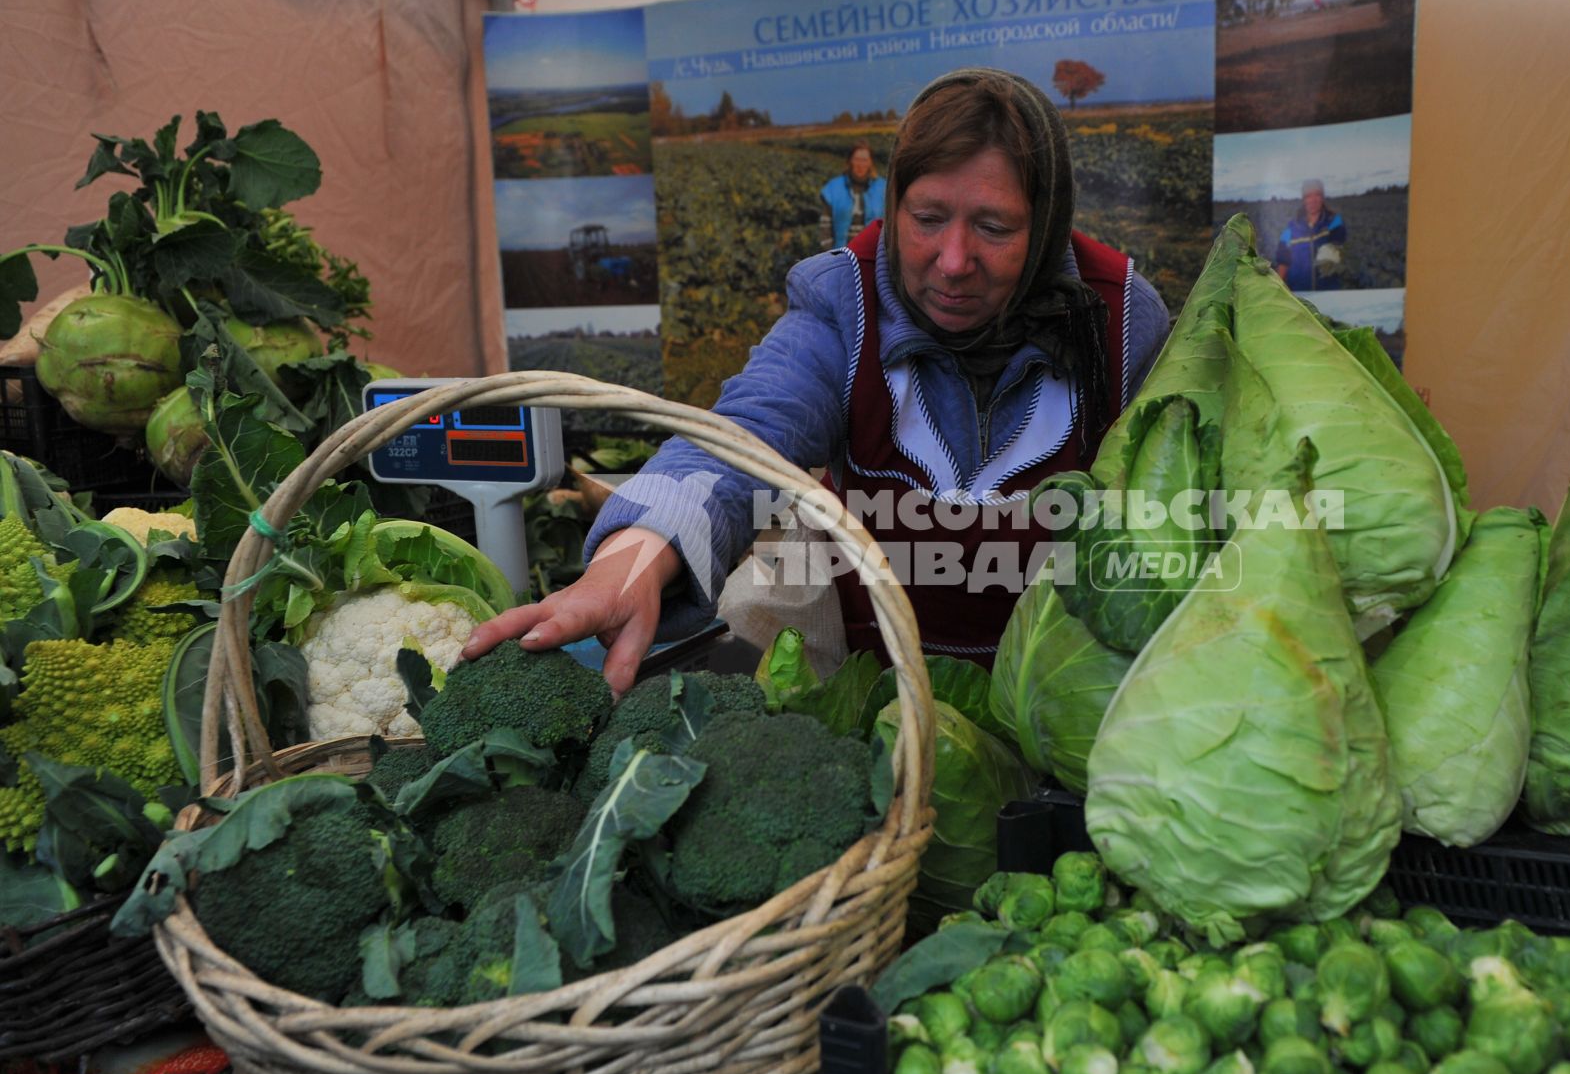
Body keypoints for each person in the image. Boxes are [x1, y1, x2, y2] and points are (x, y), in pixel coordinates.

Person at [465, 68, 1172, 693]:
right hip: (874, 697)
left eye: (994, 227)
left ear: (1045, 224)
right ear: (893, 203)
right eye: (927, 219)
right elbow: (739, 436)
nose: (953, 260)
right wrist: (631, 562)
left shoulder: (1119, 319)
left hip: (1068, 707)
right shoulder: (848, 300)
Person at [1275, 178, 1347, 292]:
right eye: (1308, 196)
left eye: (1317, 195)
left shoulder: (1334, 222)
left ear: (1322, 197)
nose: (1313, 200)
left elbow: (1340, 250)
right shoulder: (1290, 229)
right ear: (1304, 199)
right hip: (1299, 294)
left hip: (1328, 292)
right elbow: (1283, 263)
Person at [818, 142, 887, 249]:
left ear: (870, 163)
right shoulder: (833, 188)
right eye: (857, 159)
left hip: (874, 253)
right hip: (841, 253)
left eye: (864, 160)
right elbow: (825, 226)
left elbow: (890, 224)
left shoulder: (883, 188)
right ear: (850, 161)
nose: (860, 164)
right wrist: (830, 255)